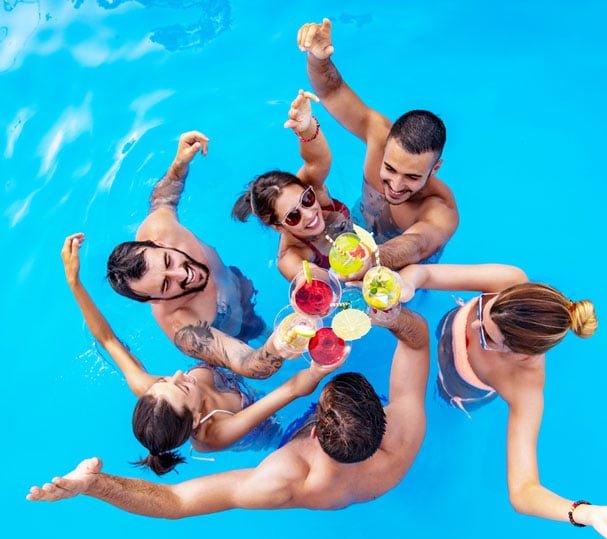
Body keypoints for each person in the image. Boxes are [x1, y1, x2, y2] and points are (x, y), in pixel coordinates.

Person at [27, 305, 430, 513]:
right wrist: (393, 316)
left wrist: (94, 485)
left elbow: (177, 503)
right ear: (383, 414)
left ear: (314, 429)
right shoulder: (405, 432)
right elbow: (417, 340)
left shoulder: (287, 478)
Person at [398, 262, 607, 539]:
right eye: (484, 309)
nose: (477, 325)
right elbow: (425, 273)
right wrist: (406, 284)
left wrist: (588, 514)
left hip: (457, 385)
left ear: (521, 353)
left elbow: (524, 491)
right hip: (443, 328)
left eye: (489, 338)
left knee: (439, 410)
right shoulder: (509, 279)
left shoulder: (524, 386)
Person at [63, 233, 348, 475]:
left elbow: (108, 340)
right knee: (330, 432)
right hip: (265, 428)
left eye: (165, 382)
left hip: (237, 382)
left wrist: (74, 283)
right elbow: (295, 389)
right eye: (183, 387)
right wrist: (316, 366)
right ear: (197, 417)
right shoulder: (217, 432)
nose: (176, 375)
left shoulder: (152, 392)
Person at [106, 131, 286, 378]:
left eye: (169, 261)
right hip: (230, 324)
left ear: (160, 243)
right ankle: (263, 331)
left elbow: (164, 200)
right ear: (154, 300)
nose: (183, 273)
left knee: (257, 316)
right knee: (254, 331)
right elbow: (245, 362)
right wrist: (282, 343)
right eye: (166, 284)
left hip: (235, 282)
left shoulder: (160, 228)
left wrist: (179, 163)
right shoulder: (183, 326)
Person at [296, 18, 459, 278]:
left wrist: (374, 258)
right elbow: (333, 92)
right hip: (359, 226)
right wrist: (318, 59)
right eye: (390, 168)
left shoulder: (440, 208)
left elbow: (417, 245)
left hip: (401, 264)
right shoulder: (378, 134)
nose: (395, 185)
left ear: (435, 168)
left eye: (412, 176)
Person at [232, 89, 354, 281]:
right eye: (293, 216)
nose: (309, 213)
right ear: (279, 227)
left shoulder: (316, 193)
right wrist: (309, 281)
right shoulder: (292, 254)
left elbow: (318, 161)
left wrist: (306, 128)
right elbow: (309, 278)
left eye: (306, 199)